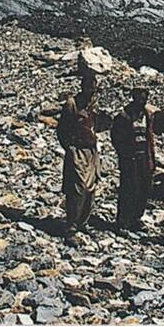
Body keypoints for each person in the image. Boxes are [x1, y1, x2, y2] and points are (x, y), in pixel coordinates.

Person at [110, 86, 164, 233]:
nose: (142, 101)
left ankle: (136, 218)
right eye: (139, 98)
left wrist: (151, 159)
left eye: (144, 98)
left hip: (144, 157)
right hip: (130, 159)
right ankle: (123, 221)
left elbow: (150, 137)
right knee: (129, 189)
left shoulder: (147, 115)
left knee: (143, 188)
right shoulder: (124, 116)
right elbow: (117, 138)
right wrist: (125, 156)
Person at [56, 57, 105, 240]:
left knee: (91, 187)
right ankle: (71, 224)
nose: (91, 90)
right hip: (76, 150)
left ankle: (83, 222)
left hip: (91, 150)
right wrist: (68, 148)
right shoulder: (72, 104)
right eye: (89, 86)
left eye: (94, 87)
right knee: (77, 187)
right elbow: (61, 129)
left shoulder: (93, 105)